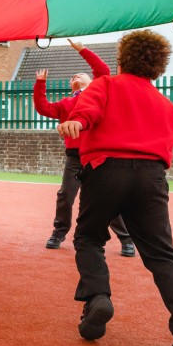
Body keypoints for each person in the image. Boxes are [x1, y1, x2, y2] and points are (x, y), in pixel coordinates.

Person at [57, 30, 173, 346]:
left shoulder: (106, 84)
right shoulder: (168, 107)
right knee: (163, 256)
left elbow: (88, 110)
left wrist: (77, 123)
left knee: (89, 238)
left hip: (106, 169)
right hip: (152, 178)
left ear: (122, 59)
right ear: (158, 67)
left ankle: (98, 298)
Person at [33, 39, 135, 257]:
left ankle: (126, 239)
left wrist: (81, 49)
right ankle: (58, 233)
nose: (75, 77)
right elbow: (42, 108)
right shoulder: (65, 104)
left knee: (106, 197)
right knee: (65, 196)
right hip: (74, 158)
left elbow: (103, 69)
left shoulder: (98, 92)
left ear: (92, 80)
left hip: (98, 157)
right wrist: (40, 83)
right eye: (72, 77)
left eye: (81, 74)